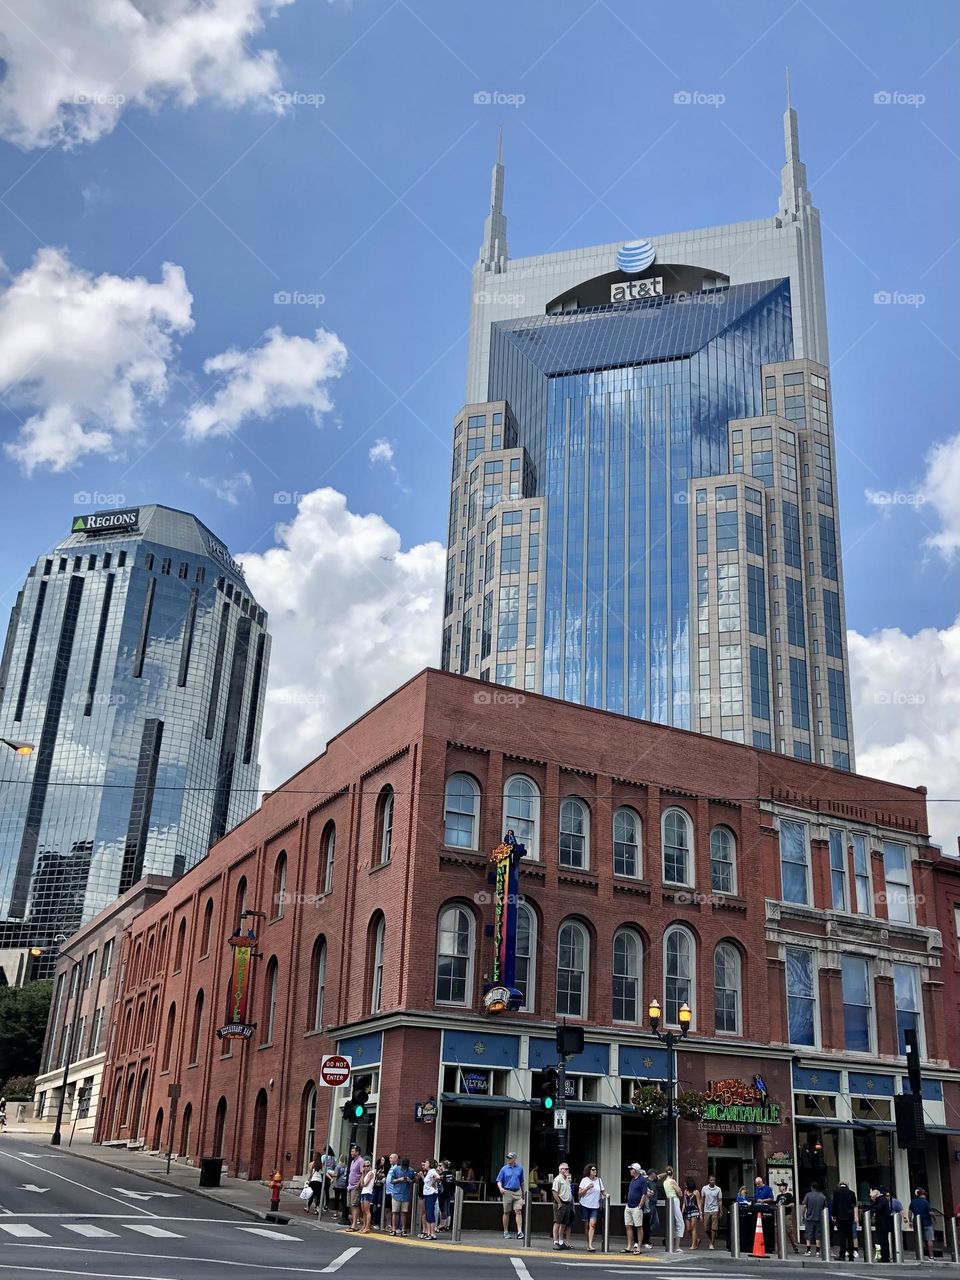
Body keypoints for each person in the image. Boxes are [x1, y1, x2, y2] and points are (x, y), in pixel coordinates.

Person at [496, 1152, 525, 1240]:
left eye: (510, 1158)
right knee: (506, 1212)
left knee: (518, 1211)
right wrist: (500, 1188)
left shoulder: (520, 1168)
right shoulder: (504, 1169)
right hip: (507, 1191)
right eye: (508, 1158)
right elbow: (499, 1180)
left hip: (517, 1191)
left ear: (514, 1159)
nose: (509, 1159)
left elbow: (522, 1182)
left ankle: (519, 1232)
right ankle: (505, 1231)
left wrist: (523, 1193)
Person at [578, 1163, 605, 1252]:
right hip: (585, 1204)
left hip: (595, 1206)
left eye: (595, 1170)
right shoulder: (584, 1180)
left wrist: (604, 1195)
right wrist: (587, 1188)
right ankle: (588, 1243)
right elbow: (579, 1193)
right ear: (589, 1171)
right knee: (586, 1225)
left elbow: (602, 1191)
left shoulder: (599, 1180)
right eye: (593, 1170)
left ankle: (590, 1244)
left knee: (592, 1224)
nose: (595, 1171)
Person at [831, 1179, 858, 1261]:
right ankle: (851, 1256)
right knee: (850, 1236)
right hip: (849, 1216)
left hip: (840, 1216)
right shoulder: (852, 1193)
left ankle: (842, 1255)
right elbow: (854, 1204)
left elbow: (834, 1204)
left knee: (842, 1236)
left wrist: (833, 1214)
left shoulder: (836, 1192)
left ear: (839, 1184)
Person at [623, 1164, 647, 1254]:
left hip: (636, 1207)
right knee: (628, 1225)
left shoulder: (642, 1180)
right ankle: (629, 1246)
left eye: (632, 1169)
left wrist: (640, 1206)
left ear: (636, 1170)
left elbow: (644, 1194)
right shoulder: (633, 1180)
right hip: (629, 1205)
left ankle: (639, 1247)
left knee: (638, 1226)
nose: (630, 1171)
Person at [388, 1155, 414, 1236]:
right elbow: (391, 1181)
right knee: (394, 1212)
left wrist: (410, 1181)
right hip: (396, 1193)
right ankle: (393, 1229)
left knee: (404, 1213)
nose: (404, 1168)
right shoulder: (396, 1169)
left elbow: (414, 1180)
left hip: (405, 1194)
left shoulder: (411, 1170)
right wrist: (399, 1179)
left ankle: (403, 1229)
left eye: (406, 1167)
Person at [552, 1162, 575, 1250]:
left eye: (568, 1169)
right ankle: (556, 1241)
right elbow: (554, 1191)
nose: (567, 1170)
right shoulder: (558, 1179)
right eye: (565, 1169)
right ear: (561, 1170)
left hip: (567, 1203)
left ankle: (561, 1241)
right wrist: (559, 1202)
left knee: (564, 1223)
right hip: (560, 1202)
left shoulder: (567, 1179)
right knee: (557, 1222)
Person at [909, 1187, 935, 1261]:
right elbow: (930, 1212)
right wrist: (934, 1218)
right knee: (929, 1239)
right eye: (924, 1194)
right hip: (927, 1222)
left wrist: (910, 1221)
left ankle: (918, 1255)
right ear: (922, 1195)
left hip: (917, 1223)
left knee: (918, 1239)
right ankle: (931, 1257)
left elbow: (910, 1212)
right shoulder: (925, 1202)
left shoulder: (913, 1202)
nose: (925, 1196)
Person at [802, 1182, 827, 1256]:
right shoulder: (822, 1196)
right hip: (819, 1218)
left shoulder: (808, 1195)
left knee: (808, 1234)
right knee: (818, 1235)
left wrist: (803, 1215)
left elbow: (804, 1206)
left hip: (810, 1218)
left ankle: (808, 1250)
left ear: (811, 1187)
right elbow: (825, 1207)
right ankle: (817, 1251)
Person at [774, 1180, 799, 1253]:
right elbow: (776, 1204)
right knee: (779, 1231)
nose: (779, 1188)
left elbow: (792, 1204)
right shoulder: (778, 1196)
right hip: (779, 1215)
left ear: (784, 1187)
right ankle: (780, 1247)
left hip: (786, 1215)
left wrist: (784, 1206)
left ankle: (795, 1247)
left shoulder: (789, 1195)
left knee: (789, 1231)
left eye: (780, 1186)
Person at [662, 1167, 684, 1250]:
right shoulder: (672, 1181)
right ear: (673, 1173)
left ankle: (672, 1245)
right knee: (680, 1223)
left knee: (672, 1223)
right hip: (674, 1200)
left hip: (669, 1201)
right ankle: (677, 1246)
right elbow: (680, 1193)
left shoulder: (664, 1182)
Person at [701, 1174, 723, 1250]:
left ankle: (712, 1243)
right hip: (706, 1210)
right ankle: (711, 1238)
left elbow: (720, 1200)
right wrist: (701, 1211)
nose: (712, 1181)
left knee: (714, 1228)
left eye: (714, 1180)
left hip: (715, 1210)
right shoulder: (704, 1188)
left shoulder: (718, 1189)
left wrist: (720, 1211)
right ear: (708, 1181)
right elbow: (702, 1199)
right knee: (706, 1228)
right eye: (711, 1180)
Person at [871, 1188, 893, 1262]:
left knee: (883, 1241)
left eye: (872, 1196)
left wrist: (873, 1201)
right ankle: (882, 1256)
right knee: (881, 1241)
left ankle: (885, 1257)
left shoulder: (882, 1200)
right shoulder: (881, 1200)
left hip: (883, 1224)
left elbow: (878, 1208)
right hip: (881, 1224)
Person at [345, 1143, 364, 1231]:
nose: (351, 1153)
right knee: (351, 1205)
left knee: (355, 1204)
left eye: (353, 1151)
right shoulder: (353, 1161)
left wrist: (358, 1184)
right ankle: (353, 1223)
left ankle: (354, 1224)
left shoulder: (360, 1161)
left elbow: (362, 1173)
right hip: (350, 1186)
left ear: (357, 1152)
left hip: (356, 1186)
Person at [421, 1158, 440, 1240]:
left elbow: (438, 1177)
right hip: (427, 1194)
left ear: (430, 1164)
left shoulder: (432, 1171)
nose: (425, 1163)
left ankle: (433, 1233)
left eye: (426, 1162)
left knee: (430, 1213)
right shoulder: (429, 1172)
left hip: (431, 1194)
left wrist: (432, 1184)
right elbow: (426, 1182)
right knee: (428, 1213)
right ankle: (429, 1232)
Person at [683, 1178, 703, 1250]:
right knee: (688, 1228)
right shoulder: (685, 1191)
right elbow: (684, 1202)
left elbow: (699, 1203)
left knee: (693, 1228)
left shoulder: (696, 1192)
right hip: (687, 1210)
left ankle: (693, 1245)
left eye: (686, 1184)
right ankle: (696, 1239)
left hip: (694, 1210)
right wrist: (682, 1211)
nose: (685, 1185)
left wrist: (700, 1213)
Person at [641, 1169, 659, 1250]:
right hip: (650, 1203)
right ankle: (645, 1239)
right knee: (648, 1222)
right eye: (655, 1173)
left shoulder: (654, 1181)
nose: (656, 1174)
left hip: (654, 1204)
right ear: (651, 1174)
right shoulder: (647, 1181)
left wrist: (667, 1172)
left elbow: (660, 1176)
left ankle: (645, 1236)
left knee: (655, 1222)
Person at [328, 1154, 348, 1224]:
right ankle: (344, 1212)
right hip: (345, 1185)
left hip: (338, 1185)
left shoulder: (338, 1166)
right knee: (344, 1200)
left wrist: (330, 1174)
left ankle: (336, 1213)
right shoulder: (347, 1167)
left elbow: (336, 1175)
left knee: (337, 1199)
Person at [438, 1159, 456, 1231]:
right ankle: (447, 1225)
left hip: (443, 1193)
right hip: (450, 1193)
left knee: (443, 1209)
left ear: (443, 1166)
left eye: (441, 1165)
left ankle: (442, 1225)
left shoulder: (442, 1175)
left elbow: (439, 1181)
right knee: (448, 1209)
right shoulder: (451, 1174)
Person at [359, 1159, 375, 1233]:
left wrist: (363, 1183)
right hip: (363, 1192)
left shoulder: (371, 1173)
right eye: (364, 1166)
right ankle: (364, 1226)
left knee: (367, 1210)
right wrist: (362, 1174)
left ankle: (367, 1227)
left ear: (370, 1166)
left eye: (367, 1166)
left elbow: (365, 1184)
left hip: (368, 1192)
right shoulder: (365, 1174)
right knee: (363, 1211)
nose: (366, 1167)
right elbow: (361, 1184)